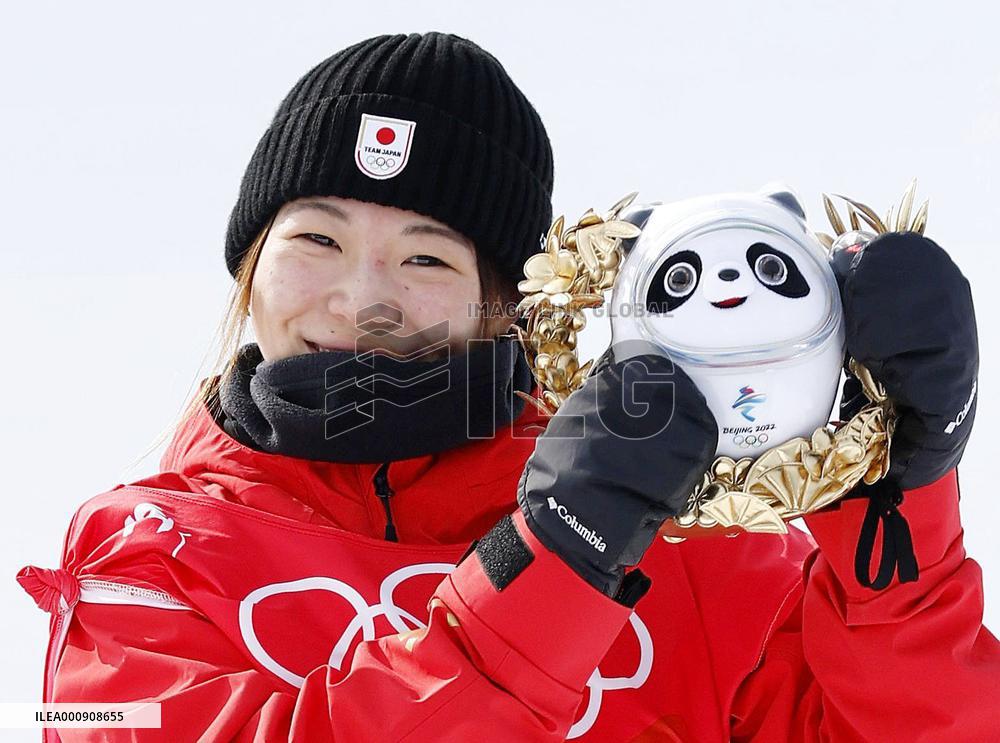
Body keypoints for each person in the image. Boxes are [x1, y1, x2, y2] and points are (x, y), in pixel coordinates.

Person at [17, 32, 999, 742]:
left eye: (427, 259)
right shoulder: (134, 562)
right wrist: (549, 571)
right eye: (315, 238)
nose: (363, 298)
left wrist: (894, 517)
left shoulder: (698, 554)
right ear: (249, 266)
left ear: (507, 304)